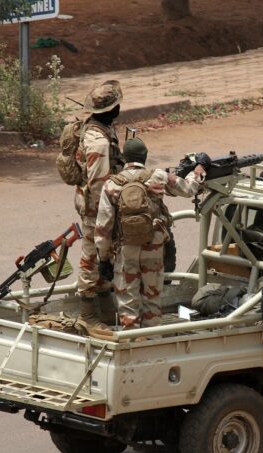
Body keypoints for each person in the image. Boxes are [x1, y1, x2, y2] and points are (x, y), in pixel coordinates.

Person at [95, 138, 209, 329]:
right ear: (145, 156)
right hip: (153, 247)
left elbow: (103, 227)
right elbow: (188, 188)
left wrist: (104, 258)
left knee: (128, 302)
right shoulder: (158, 176)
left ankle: (130, 339)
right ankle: (152, 338)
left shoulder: (111, 185)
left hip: (126, 249)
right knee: (152, 298)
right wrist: (198, 170)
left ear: (124, 157)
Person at [74, 80, 125, 332]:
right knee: (91, 257)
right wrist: (106, 214)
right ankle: (86, 314)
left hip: (100, 205)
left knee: (106, 255)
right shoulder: (99, 142)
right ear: (113, 110)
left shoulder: (102, 128)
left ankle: (105, 307)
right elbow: (98, 184)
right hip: (97, 207)